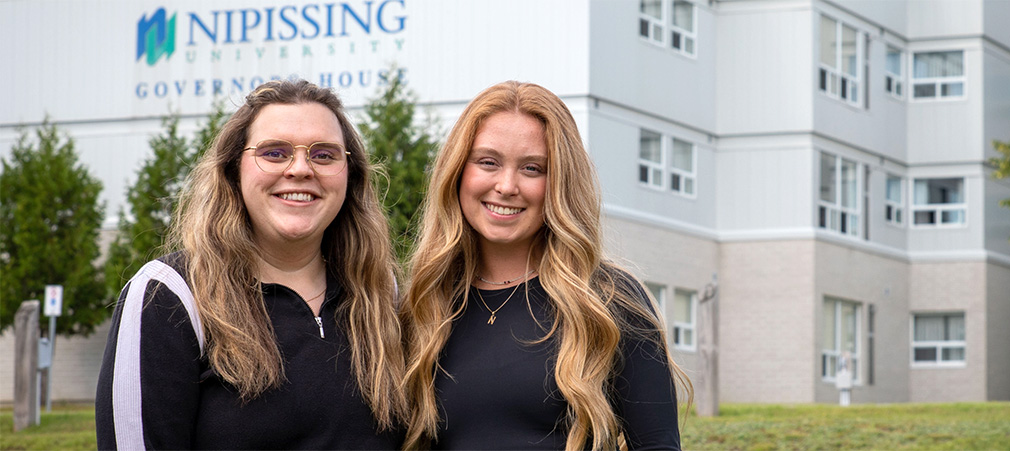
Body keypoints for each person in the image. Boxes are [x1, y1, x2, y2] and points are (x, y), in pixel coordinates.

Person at [95, 79, 407, 449]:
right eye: (274, 153)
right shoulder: (170, 295)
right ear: (234, 170)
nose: (301, 169)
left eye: (324, 155)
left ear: (350, 175)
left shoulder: (382, 295)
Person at [401, 80, 691, 450]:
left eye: (532, 168)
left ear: (560, 183)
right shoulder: (426, 304)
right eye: (488, 162)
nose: (507, 186)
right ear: (457, 170)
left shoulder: (609, 301)